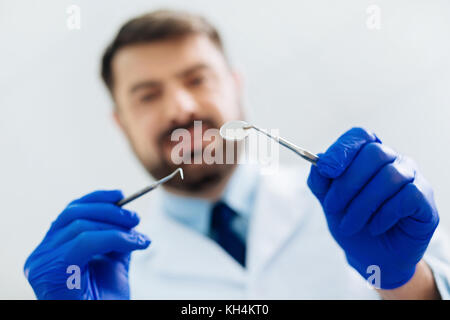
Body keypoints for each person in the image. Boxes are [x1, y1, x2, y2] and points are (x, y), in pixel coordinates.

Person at [24, 9, 450, 300]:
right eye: (148, 95)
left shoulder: (363, 205)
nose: (180, 108)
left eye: (197, 79)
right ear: (121, 122)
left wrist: (404, 280)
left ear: (235, 85)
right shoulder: (111, 276)